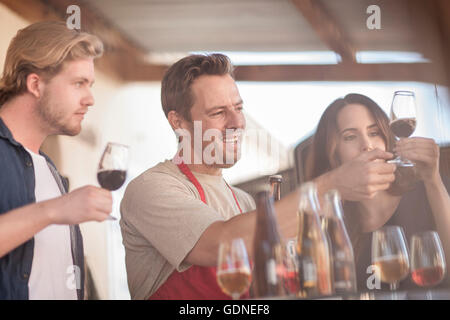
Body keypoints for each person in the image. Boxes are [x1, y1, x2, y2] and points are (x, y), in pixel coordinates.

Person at [121, 53, 319, 300]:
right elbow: (220, 244)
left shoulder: (244, 203)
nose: (237, 122)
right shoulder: (151, 188)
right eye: (218, 112)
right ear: (178, 122)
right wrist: (325, 189)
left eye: (238, 108)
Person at [0, 21, 113, 300]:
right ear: (36, 84)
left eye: (90, 84)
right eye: (78, 83)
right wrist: (54, 210)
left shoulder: (48, 167)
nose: (90, 99)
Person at [305, 93, 450, 291]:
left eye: (374, 133)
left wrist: (433, 180)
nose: (367, 145)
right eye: (350, 137)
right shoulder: (331, 228)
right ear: (333, 155)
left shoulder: (428, 192)